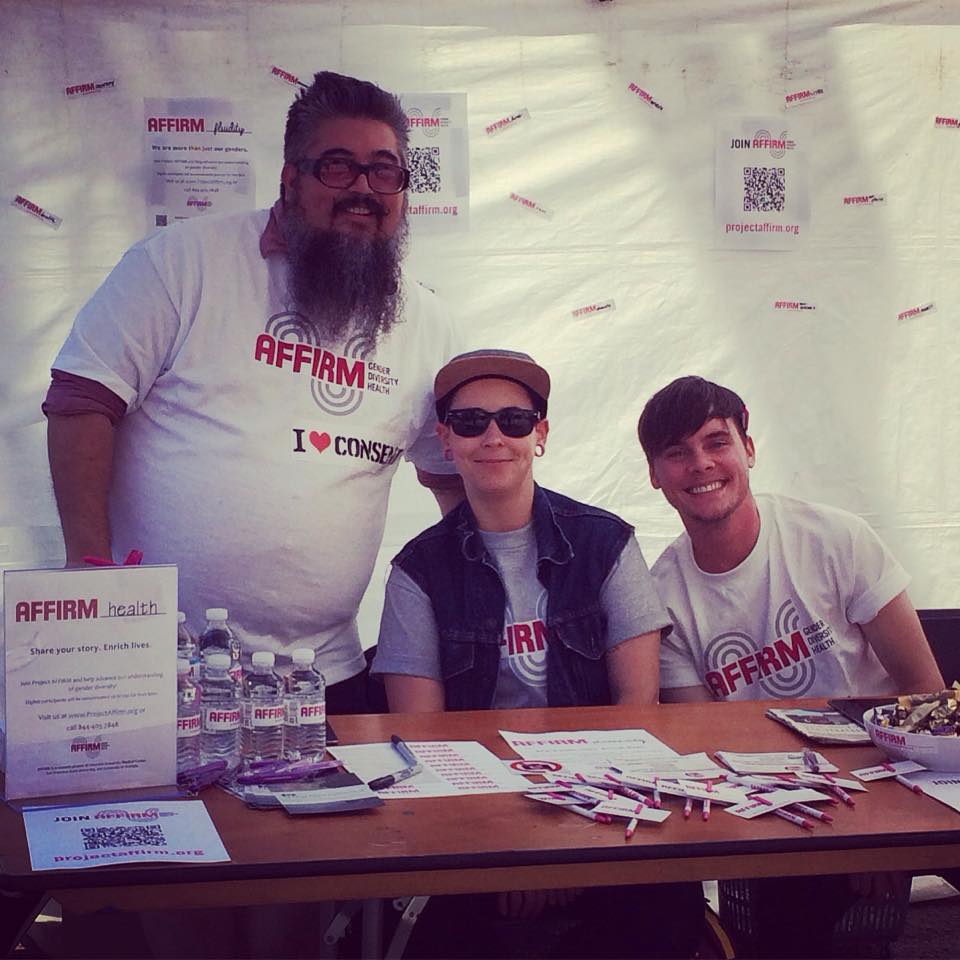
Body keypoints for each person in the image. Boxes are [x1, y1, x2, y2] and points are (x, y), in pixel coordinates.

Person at [43, 71, 463, 715]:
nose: (362, 189)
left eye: (385, 171)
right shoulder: (180, 262)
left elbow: (451, 477)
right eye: (337, 167)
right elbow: (82, 402)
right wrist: (94, 585)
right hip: (160, 663)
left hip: (325, 676)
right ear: (290, 180)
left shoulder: (427, 321)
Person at [372, 349, 704, 959]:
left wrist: (566, 845)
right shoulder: (417, 571)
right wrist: (512, 853)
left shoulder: (607, 543)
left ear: (540, 434)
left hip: (603, 814)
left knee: (664, 912)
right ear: (445, 440)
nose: (493, 436)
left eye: (514, 421)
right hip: (477, 824)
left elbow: (637, 717)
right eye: (470, 422)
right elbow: (427, 745)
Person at [638, 374, 944, 958]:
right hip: (778, 808)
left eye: (716, 441)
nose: (701, 464)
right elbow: (708, 747)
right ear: (655, 475)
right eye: (677, 453)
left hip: (888, 782)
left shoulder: (835, 538)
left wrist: (884, 834)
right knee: (787, 919)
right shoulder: (663, 596)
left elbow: (923, 694)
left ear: (748, 449)